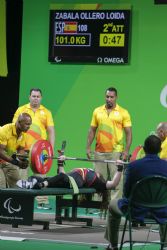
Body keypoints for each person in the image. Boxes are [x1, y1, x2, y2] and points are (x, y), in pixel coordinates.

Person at [105, 135, 167, 250]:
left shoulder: (133, 166)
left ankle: (113, 246)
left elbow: (126, 193)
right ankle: (165, 246)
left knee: (112, 204)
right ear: (160, 150)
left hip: (135, 211)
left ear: (144, 149)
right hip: (162, 211)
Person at [86, 87, 132, 201]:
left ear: (116, 97)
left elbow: (129, 133)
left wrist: (126, 150)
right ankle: (97, 205)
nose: (109, 99)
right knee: (98, 180)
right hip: (99, 151)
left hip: (116, 152)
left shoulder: (123, 112)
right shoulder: (97, 111)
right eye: (107, 97)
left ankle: (115, 205)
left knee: (117, 181)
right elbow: (92, 130)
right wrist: (88, 147)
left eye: (111, 97)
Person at [12, 88, 55, 210]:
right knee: (22, 175)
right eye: (33, 96)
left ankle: (42, 201)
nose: (35, 98)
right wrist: (17, 145)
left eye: (38, 96)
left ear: (41, 98)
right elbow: (14, 127)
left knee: (40, 176)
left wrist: (50, 149)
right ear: (29, 97)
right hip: (23, 149)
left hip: (39, 151)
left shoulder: (46, 112)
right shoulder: (21, 110)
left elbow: (51, 131)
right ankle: (22, 200)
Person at [16, 155, 124, 192]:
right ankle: (30, 184)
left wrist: (119, 169)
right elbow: (62, 175)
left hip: (75, 184)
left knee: (60, 177)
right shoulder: (89, 171)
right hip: (67, 180)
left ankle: (39, 185)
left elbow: (114, 184)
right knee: (36, 177)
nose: (99, 172)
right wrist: (60, 162)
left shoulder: (97, 181)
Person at [0, 113, 32, 188]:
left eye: (30, 124)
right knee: (1, 186)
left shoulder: (22, 134)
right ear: (19, 122)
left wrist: (25, 159)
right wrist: (16, 162)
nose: (29, 127)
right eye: (27, 124)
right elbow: (0, 152)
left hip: (7, 162)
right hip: (4, 159)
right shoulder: (5, 130)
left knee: (17, 184)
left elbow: (20, 150)